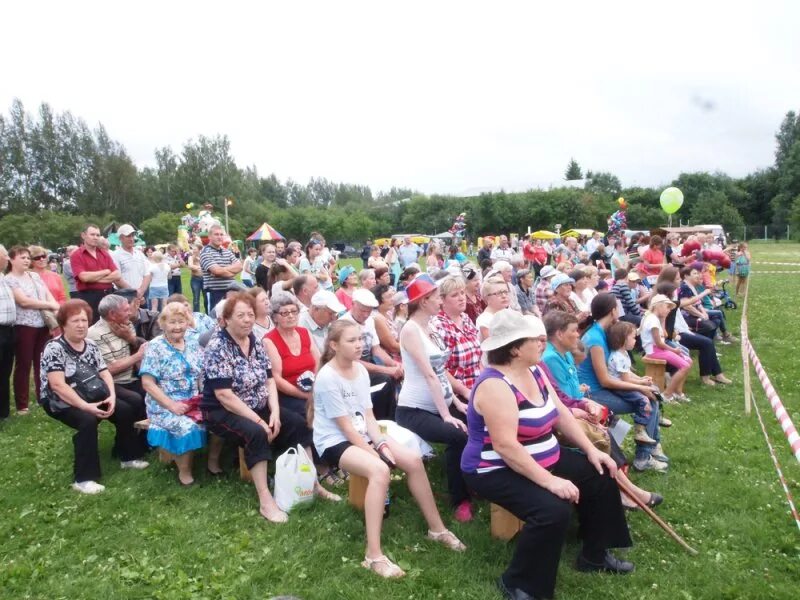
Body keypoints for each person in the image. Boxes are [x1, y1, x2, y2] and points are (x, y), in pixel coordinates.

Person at [463, 309, 633, 600]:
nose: (542, 343)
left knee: (601, 473)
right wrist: (550, 481)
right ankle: (519, 584)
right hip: (493, 468)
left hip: (541, 456)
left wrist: (592, 451)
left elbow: (561, 415)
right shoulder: (495, 385)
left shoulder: (535, 370)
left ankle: (594, 555)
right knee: (551, 511)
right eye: (535, 339)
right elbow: (505, 446)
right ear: (515, 348)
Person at [311, 320, 465, 578]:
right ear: (334, 345)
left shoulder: (359, 370)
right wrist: (377, 454)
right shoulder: (327, 377)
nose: (360, 345)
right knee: (380, 471)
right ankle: (373, 556)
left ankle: (436, 529)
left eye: (360, 339)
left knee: (414, 461)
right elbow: (346, 429)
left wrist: (381, 443)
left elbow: (368, 418)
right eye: (352, 340)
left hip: (360, 431)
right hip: (333, 441)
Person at [201, 292, 337, 522]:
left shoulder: (253, 340)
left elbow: (269, 379)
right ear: (226, 319)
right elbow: (224, 395)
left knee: (299, 424)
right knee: (257, 433)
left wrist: (274, 411)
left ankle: (313, 483)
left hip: (258, 402)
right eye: (240, 315)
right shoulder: (218, 346)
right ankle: (266, 500)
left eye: (250, 314)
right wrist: (259, 420)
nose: (246, 320)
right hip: (223, 409)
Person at [542, 310, 664, 509]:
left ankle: (624, 485)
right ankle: (625, 489)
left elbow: (568, 393)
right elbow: (559, 400)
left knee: (611, 427)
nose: (578, 335)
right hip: (561, 420)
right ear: (559, 334)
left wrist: (585, 403)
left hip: (576, 408)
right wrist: (583, 405)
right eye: (574, 331)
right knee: (603, 433)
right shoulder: (550, 358)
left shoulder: (563, 354)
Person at [39, 300, 149, 494]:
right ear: (63, 323)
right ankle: (83, 479)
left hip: (90, 392)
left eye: (84, 320)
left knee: (125, 410)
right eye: (75, 321)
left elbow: (104, 372)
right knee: (87, 421)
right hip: (59, 400)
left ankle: (128, 457)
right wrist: (86, 407)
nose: (81, 325)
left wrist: (112, 397)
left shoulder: (89, 344)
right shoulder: (54, 348)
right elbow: (57, 385)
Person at [391, 275, 472, 522]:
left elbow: (440, 370)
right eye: (437, 297)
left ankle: (474, 480)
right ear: (424, 301)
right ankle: (460, 499)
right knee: (457, 436)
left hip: (438, 404)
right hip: (413, 410)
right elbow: (428, 374)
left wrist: (457, 403)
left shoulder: (432, 325)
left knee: (476, 422)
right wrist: (447, 415)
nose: (440, 301)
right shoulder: (411, 330)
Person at [577, 293, 665, 472]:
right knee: (649, 400)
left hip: (603, 388)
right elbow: (606, 380)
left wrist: (640, 383)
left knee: (651, 394)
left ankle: (653, 445)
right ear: (612, 311)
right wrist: (640, 387)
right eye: (618, 306)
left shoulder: (603, 331)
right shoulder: (594, 339)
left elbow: (617, 368)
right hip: (592, 393)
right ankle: (644, 457)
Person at [140, 302, 214, 486]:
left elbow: (202, 371)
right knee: (188, 426)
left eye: (181, 321)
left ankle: (214, 463)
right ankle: (185, 473)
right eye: (172, 322)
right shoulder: (155, 347)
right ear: (163, 323)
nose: (178, 326)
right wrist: (172, 405)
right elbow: (148, 383)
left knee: (220, 416)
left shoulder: (192, 341)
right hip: (165, 403)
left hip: (193, 399)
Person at [5, 245, 60, 415]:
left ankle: (42, 395)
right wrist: (50, 305)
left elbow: (46, 293)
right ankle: (22, 404)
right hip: (23, 325)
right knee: (24, 364)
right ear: (12, 259)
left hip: (42, 324)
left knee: (42, 362)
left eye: (28, 258)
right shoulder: (9, 279)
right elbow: (24, 301)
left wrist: (55, 307)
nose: (27, 261)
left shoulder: (34, 275)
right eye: (22, 257)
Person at [341, 289, 402, 420]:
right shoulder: (343, 325)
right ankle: (380, 419)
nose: (366, 315)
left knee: (395, 375)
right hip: (349, 370)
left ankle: (391, 419)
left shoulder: (370, 321)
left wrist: (394, 365)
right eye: (362, 310)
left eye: (369, 311)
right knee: (385, 379)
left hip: (368, 363)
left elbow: (376, 349)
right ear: (353, 304)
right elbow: (352, 361)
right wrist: (387, 370)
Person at [88, 294, 148, 426]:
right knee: (135, 399)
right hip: (110, 382)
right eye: (125, 310)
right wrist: (138, 356)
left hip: (131, 378)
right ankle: (133, 440)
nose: (130, 312)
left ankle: (146, 438)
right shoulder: (95, 334)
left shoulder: (126, 325)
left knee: (153, 391)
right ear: (112, 314)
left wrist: (130, 338)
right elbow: (109, 370)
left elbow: (142, 348)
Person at [606, 321, 664, 445]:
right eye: (633, 338)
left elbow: (627, 373)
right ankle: (640, 430)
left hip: (624, 383)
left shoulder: (623, 353)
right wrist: (641, 383)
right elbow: (625, 379)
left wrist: (641, 379)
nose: (635, 341)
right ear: (623, 340)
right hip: (620, 387)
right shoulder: (618, 357)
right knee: (644, 400)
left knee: (654, 389)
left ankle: (657, 417)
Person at [263, 294, 320, 418]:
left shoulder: (304, 332)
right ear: (275, 317)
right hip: (288, 395)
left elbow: (318, 362)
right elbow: (277, 379)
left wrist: (317, 388)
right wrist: (306, 396)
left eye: (294, 311)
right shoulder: (269, 341)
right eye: (285, 313)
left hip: (314, 389)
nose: (291, 316)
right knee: (313, 413)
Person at [433, 276, 482, 393]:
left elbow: (478, 358)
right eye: (455, 295)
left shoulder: (465, 318)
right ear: (442, 300)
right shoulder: (439, 326)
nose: (461, 298)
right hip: (458, 391)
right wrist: (465, 392)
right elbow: (440, 369)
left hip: (478, 385)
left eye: (462, 293)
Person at [640, 295, 692, 402]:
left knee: (688, 360)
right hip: (654, 351)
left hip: (659, 349)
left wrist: (663, 319)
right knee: (685, 366)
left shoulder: (654, 318)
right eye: (667, 307)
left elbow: (664, 334)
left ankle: (677, 391)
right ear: (658, 306)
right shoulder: (652, 321)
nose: (669, 310)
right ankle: (667, 394)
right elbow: (659, 343)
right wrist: (674, 350)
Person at [70, 224, 122, 323]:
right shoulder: (77, 255)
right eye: (92, 234)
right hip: (89, 297)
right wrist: (105, 271)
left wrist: (94, 279)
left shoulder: (104, 253)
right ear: (83, 235)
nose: (95, 237)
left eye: (98, 235)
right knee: (93, 326)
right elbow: (84, 277)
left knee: (112, 324)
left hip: (109, 295)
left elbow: (117, 275)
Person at [200, 224, 243, 312]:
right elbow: (217, 271)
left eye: (221, 234)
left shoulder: (227, 251)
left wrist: (222, 270)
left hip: (231, 292)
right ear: (209, 236)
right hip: (214, 293)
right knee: (215, 320)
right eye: (216, 234)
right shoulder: (205, 252)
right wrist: (231, 272)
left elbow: (240, 266)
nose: (219, 237)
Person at [112, 225, 151, 302]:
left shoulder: (140, 254)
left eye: (132, 236)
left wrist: (141, 291)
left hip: (141, 296)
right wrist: (134, 293)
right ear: (120, 238)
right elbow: (117, 279)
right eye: (128, 236)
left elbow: (147, 274)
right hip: (124, 296)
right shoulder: (115, 255)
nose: (131, 239)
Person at [0, 246, 15, 420]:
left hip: (9, 330)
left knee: (5, 372)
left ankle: (3, 412)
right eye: (5, 256)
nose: (7, 259)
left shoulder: (3, 277)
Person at [371, 284, 402, 362]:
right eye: (389, 297)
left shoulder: (388, 312)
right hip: (390, 360)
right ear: (378, 301)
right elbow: (392, 346)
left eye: (392, 296)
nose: (393, 299)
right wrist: (413, 347)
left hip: (399, 353)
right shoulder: (377, 318)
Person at [475, 276, 511, 340]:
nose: (504, 296)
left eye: (506, 292)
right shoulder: (485, 320)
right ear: (486, 297)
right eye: (499, 293)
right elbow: (494, 347)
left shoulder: (507, 312)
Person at [186, 243, 205, 314]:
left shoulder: (203, 257)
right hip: (195, 279)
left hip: (204, 279)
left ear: (199, 250)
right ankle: (196, 314)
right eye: (193, 249)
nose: (193, 250)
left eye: (195, 249)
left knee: (206, 298)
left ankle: (207, 313)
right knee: (196, 298)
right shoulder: (191, 257)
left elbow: (206, 266)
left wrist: (198, 265)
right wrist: (199, 267)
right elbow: (190, 266)